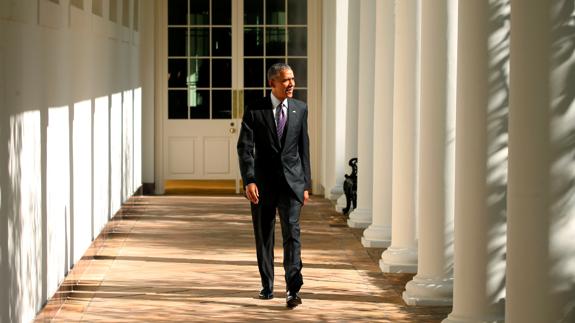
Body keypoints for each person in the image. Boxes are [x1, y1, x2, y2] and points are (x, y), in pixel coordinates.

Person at [237, 63, 311, 309]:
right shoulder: (255, 109)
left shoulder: (300, 109)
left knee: (293, 236)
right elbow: (245, 148)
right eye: (285, 80)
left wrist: (306, 184)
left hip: (292, 185)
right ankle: (267, 285)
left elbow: (303, 149)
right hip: (262, 186)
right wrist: (249, 180)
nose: (291, 84)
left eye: (292, 79)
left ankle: (293, 289)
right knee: (264, 236)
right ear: (272, 83)